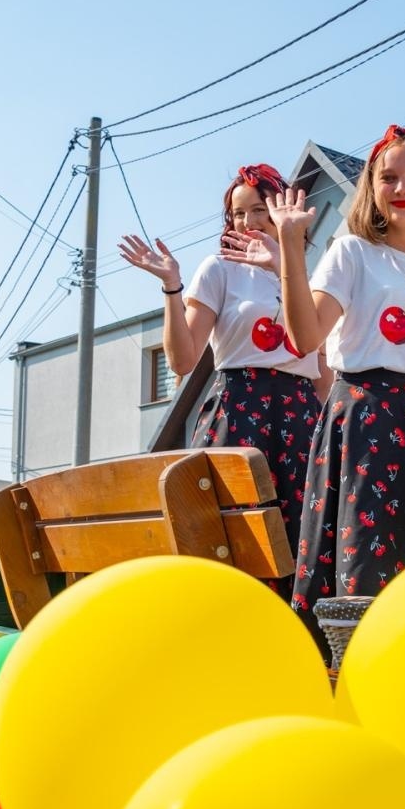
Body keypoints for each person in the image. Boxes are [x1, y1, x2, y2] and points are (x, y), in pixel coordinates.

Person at [271, 124, 405, 657]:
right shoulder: (352, 252)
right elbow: (304, 335)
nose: (401, 188)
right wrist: (291, 244)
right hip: (363, 421)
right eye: (388, 177)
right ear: (371, 188)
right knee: (361, 572)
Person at [117, 163, 323, 597]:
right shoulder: (219, 269)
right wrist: (172, 287)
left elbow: (320, 365)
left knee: (301, 529)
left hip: (301, 411)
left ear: (282, 211)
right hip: (239, 407)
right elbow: (183, 358)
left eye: (260, 211)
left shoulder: (309, 273)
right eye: (238, 214)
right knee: (230, 530)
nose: (249, 223)